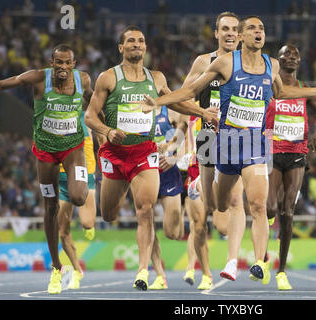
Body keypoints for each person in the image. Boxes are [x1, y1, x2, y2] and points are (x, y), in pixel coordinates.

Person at [141, 15, 316, 283]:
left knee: (255, 204)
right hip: (216, 140)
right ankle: (203, 186)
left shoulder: (271, 65)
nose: (255, 33)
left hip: (252, 143)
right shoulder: (215, 62)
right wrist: (161, 102)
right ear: (230, 35)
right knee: (216, 205)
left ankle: (255, 262)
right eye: (248, 29)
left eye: (259, 29)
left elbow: (280, 93)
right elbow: (189, 91)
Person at [84, 25, 217, 291]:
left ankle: (143, 271)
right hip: (114, 153)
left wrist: (202, 112)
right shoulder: (108, 78)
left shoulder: (156, 78)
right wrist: (108, 131)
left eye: (141, 41)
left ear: (145, 47)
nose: (136, 44)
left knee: (145, 211)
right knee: (109, 214)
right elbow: (90, 116)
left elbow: (175, 102)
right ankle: (148, 264)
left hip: (145, 153)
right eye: (130, 40)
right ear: (121, 47)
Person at [0, 44, 93, 294]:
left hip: (73, 148)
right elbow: (1, 84)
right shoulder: (38, 78)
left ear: (74, 63)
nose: (62, 67)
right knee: (50, 207)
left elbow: (94, 103)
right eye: (58, 62)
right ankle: (57, 268)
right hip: (46, 152)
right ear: (52, 62)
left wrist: (102, 127)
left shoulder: (83, 80)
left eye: (67, 63)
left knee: (79, 197)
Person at [174, 12, 247, 287]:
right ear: (216, 33)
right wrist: (202, 112)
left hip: (238, 137)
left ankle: (231, 262)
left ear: (240, 35)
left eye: (234, 30)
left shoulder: (251, 64)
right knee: (216, 216)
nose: (230, 34)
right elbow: (182, 99)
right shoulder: (204, 62)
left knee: (236, 203)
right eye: (224, 29)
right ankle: (202, 270)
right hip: (206, 139)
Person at [265, 44, 316, 290]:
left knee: (287, 211)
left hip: (296, 154)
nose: (292, 57)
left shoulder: (306, 90)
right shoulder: (270, 85)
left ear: (300, 60)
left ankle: (281, 271)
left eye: (296, 54)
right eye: (287, 54)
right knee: (270, 209)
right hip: (271, 151)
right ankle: (263, 256)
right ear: (278, 59)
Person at [57, 109, 98, 290]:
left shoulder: (85, 115)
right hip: (62, 177)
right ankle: (76, 270)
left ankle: (89, 225)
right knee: (62, 232)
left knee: (87, 223)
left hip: (84, 175)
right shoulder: (52, 116)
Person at [148, 105, 184, 290]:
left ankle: (184, 208)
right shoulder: (134, 110)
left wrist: (175, 157)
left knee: (172, 233)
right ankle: (160, 275)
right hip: (145, 171)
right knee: (147, 223)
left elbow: (186, 136)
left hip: (168, 171)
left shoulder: (169, 111)